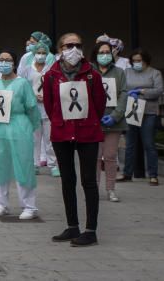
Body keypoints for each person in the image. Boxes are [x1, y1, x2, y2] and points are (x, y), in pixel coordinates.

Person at [43, 33, 106, 247]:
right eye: (69, 45)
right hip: (62, 132)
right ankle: (72, 225)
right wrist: (61, 122)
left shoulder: (92, 74)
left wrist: (88, 121)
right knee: (67, 180)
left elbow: (99, 104)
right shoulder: (51, 75)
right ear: (60, 49)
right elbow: (50, 106)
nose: (74, 49)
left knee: (89, 181)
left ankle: (90, 230)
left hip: (87, 132)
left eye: (78, 45)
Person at [0, 51, 41, 219]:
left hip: (19, 126)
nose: (4, 62)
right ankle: (1, 204)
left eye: (8, 60)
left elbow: (32, 107)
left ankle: (29, 206)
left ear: (14, 63)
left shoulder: (22, 83)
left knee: (23, 165)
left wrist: (29, 127)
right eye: (1, 59)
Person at [120, 47, 163, 186]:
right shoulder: (127, 72)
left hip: (149, 112)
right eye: (134, 61)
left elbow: (158, 91)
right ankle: (127, 173)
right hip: (132, 111)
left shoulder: (155, 73)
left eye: (139, 60)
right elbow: (122, 89)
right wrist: (129, 94)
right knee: (130, 144)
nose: (136, 63)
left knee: (149, 143)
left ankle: (153, 175)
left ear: (145, 60)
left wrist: (142, 92)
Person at [93, 42, 127, 202]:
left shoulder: (119, 72)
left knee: (110, 156)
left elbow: (123, 94)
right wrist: (93, 115)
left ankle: (111, 189)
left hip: (114, 121)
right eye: (101, 52)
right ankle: (93, 188)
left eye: (107, 52)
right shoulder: (90, 71)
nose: (105, 55)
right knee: (95, 157)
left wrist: (115, 115)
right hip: (94, 122)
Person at [18, 42, 58, 176]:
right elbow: (22, 87)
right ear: (34, 54)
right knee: (34, 139)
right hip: (32, 108)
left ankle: (53, 164)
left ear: (47, 55)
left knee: (50, 139)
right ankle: (34, 164)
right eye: (38, 53)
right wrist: (33, 96)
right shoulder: (27, 70)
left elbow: (57, 86)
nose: (41, 55)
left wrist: (47, 96)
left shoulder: (52, 69)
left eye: (43, 53)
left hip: (48, 109)